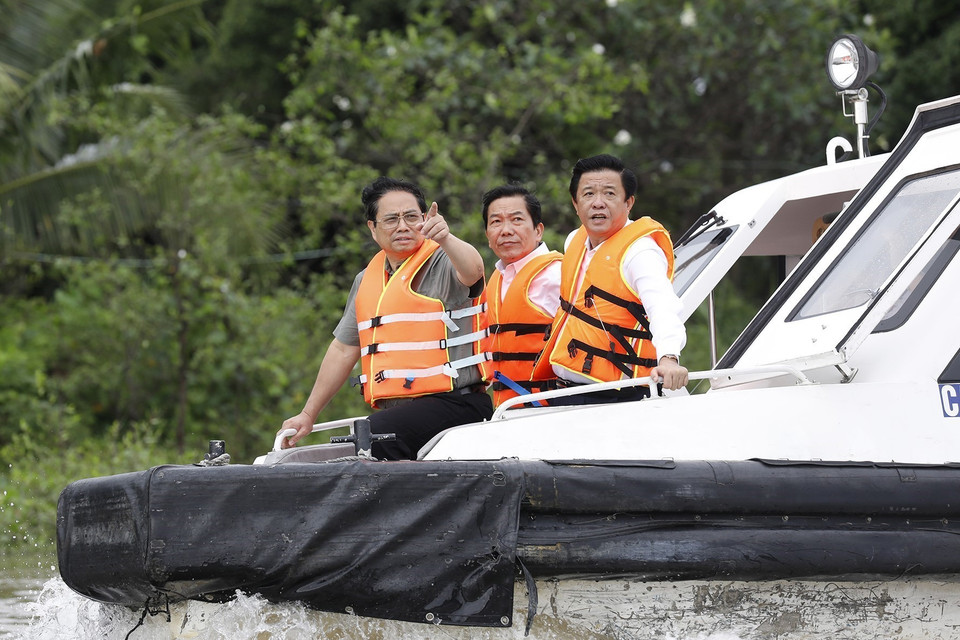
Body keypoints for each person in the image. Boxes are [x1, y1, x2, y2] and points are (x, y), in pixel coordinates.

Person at [278, 177, 492, 459]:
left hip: (456, 402)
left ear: (426, 219)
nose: (403, 226)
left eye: (411, 217)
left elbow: (474, 270)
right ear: (373, 229)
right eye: (391, 219)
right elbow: (343, 350)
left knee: (373, 436)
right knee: (359, 439)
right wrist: (308, 414)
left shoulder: (445, 259)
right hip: (401, 413)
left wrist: (446, 238)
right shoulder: (366, 279)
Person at [533, 154, 688, 404]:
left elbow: (664, 308)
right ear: (575, 203)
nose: (598, 203)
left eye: (609, 194)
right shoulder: (574, 240)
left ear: (629, 203)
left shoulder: (641, 252)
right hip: (567, 390)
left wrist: (669, 359)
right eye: (588, 194)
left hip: (619, 397)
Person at [481, 184, 562, 407]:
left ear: (538, 230)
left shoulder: (558, 275)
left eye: (516, 220)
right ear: (488, 236)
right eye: (496, 222)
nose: (506, 230)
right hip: (506, 409)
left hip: (555, 408)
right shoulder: (496, 280)